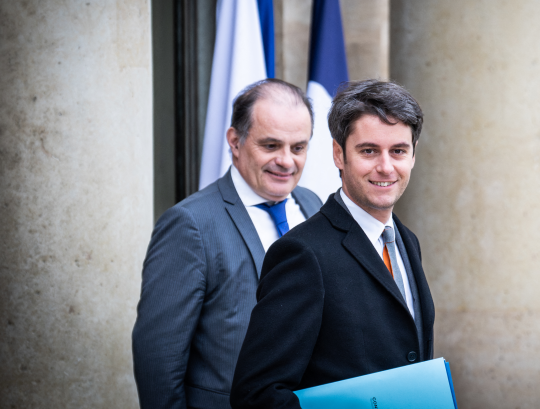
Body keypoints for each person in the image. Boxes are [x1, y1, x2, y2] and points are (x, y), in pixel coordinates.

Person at [230, 79, 435, 409]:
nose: (386, 166)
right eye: (368, 151)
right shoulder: (302, 253)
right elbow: (257, 394)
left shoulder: (407, 242)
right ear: (339, 154)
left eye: (398, 151)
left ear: (412, 156)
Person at [132, 79, 322, 409]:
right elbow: (158, 360)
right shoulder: (189, 224)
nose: (286, 161)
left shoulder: (313, 205)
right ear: (235, 141)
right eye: (270, 145)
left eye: (298, 147)